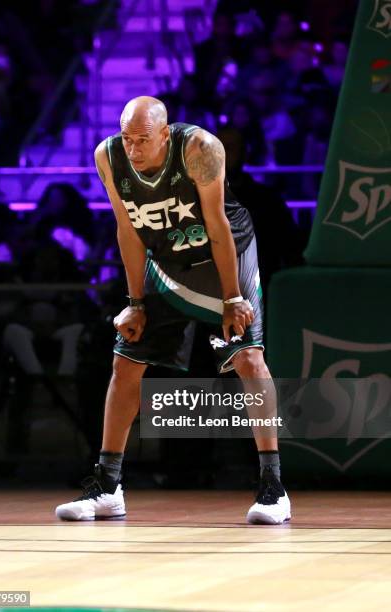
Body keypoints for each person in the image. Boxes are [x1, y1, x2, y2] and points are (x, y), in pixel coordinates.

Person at [55, 96, 291, 525]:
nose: (133, 148)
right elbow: (127, 230)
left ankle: (273, 488)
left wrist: (233, 296)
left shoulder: (200, 149)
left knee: (249, 358)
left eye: (142, 139)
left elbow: (217, 223)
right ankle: (108, 486)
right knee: (124, 363)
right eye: (127, 138)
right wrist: (135, 303)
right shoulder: (108, 157)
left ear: (165, 134)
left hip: (225, 255)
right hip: (167, 263)